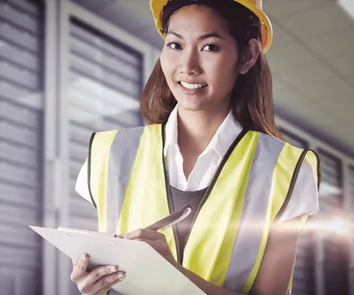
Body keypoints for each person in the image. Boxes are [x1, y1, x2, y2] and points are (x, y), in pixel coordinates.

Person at [69, 0, 321, 294]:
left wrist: (172, 277)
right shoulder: (107, 152)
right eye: (175, 45)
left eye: (209, 47)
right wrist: (94, 286)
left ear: (248, 56)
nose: (187, 67)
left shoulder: (287, 169)